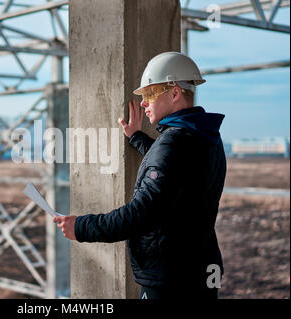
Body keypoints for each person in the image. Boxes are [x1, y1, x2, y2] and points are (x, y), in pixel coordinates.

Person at [53, 51, 226, 300]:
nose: (144, 102)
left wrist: (81, 227)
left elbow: (140, 214)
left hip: (171, 278)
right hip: (201, 267)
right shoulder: (205, 136)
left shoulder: (174, 144)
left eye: (149, 94)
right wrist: (137, 137)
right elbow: (176, 172)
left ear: (175, 93)